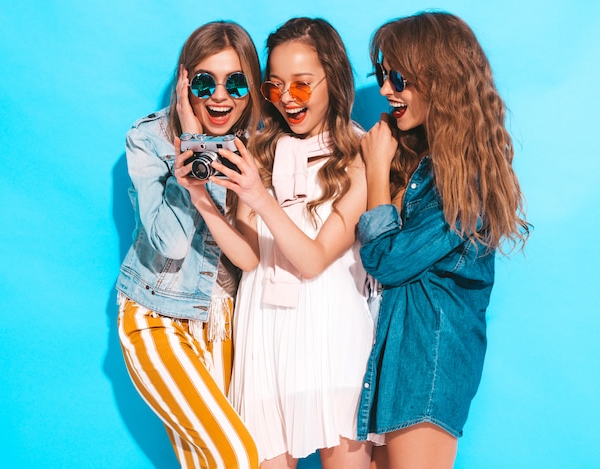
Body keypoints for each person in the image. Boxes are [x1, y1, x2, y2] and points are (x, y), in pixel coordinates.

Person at [174, 16, 375, 469]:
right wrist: (201, 197)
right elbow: (248, 257)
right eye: (275, 86)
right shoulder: (259, 151)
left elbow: (313, 259)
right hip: (262, 333)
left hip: (332, 337)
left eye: (301, 85)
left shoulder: (360, 156)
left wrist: (257, 196)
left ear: (334, 80)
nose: (287, 98)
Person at [355, 11, 531, 469]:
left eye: (400, 78)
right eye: (383, 76)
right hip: (399, 362)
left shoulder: (464, 180)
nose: (388, 90)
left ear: (442, 79)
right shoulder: (427, 166)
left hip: (427, 365)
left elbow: (386, 260)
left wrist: (375, 169)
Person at [115, 20, 262, 469]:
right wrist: (193, 145)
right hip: (155, 316)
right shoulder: (149, 139)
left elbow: (249, 257)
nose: (220, 96)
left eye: (235, 83)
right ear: (185, 82)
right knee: (236, 455)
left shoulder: (253, 145)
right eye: (205, 81)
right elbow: (172, 245)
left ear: (251, 88)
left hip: (220, 321)